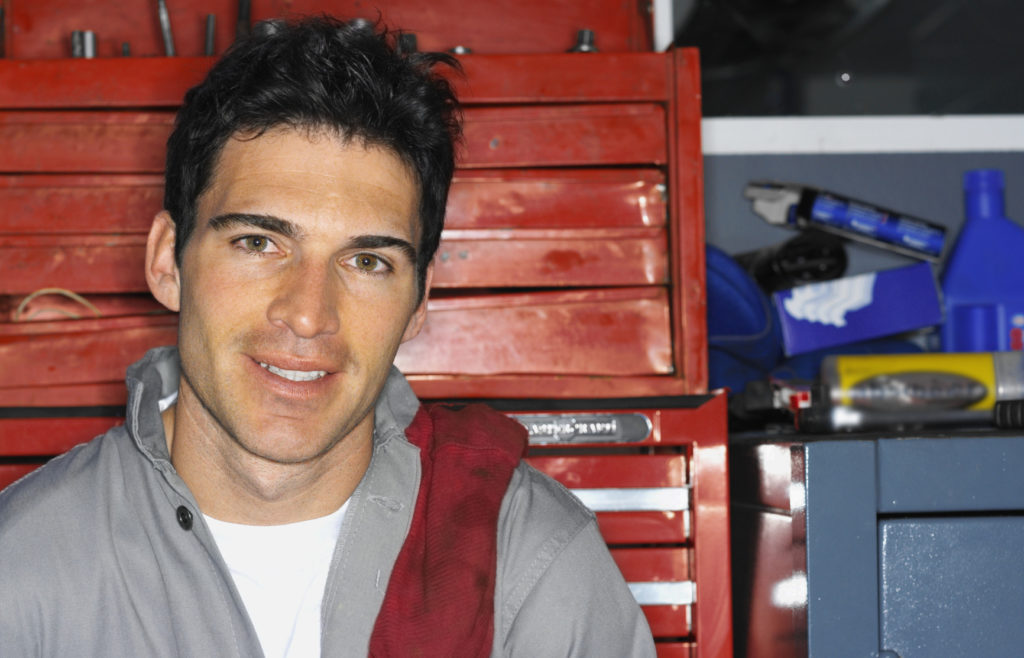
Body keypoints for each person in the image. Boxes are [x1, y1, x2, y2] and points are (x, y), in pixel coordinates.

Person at [0, 15, 655, 658]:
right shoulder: (22, 568)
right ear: (169, 262)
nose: (309, 315)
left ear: (419, 302)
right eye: (258, 243)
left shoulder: (528, 560)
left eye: (367, 261)